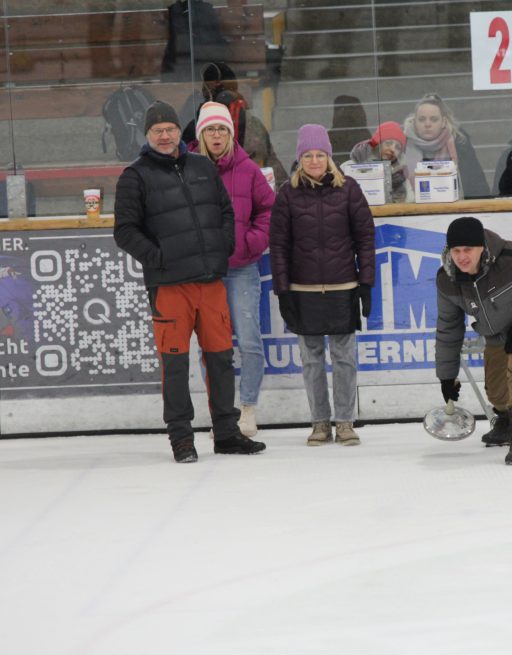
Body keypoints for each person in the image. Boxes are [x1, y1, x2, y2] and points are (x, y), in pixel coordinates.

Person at [113, 101, 266, 462]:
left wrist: (223, 246)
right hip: (169, 288)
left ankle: (226, 433)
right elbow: (125, 231)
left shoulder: (202, 166)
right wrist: (160, 258)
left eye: (169, 129)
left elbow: (225, 212)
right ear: (147, 135)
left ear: (178, 132)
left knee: (221, 360)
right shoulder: (135, 176)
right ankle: (181, 438)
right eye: (157, 131)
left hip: (210, 282)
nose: (165, 136)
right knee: (176, 365)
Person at [269, 124, 376, 446]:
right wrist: (283, 290)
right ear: (299, 159)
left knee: (344, 358)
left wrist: (365, 283)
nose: (314, 161)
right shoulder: (287, 194)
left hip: (343, 288)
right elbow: (279, 246)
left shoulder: (349, 189)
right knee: (312, 360)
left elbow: (365, 239)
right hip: (304, 291)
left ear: (329, 157)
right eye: (307, 155)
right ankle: (319, 422)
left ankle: (344, 422)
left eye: (319, 155)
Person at [434, 217, 512, 465]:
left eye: (468, 250)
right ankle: (505, 421)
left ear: (481, 247)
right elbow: (448, 329)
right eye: (456, 251)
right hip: (496, 328)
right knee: (496, 391)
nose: (462, 257)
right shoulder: (446, 279)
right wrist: (446, 377)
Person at [188, 101, 276, 437]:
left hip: (241, 269)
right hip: (204, 272)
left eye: (222, 129)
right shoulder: (187, 168)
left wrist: (251, 242)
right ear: (201, 134)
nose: (216, 135)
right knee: (211, 346)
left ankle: (247, 409)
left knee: (249, 341)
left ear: (230, 133)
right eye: (210, 129)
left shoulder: (248, 169)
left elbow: (268, 211)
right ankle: (221, 414)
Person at [180, 62, 288, 187]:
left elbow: (274, 169)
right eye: (216, 92)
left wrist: (284, 191)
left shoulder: (252, 125)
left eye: (227, 92)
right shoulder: (195, 127)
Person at [402, 93, 489, 199]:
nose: (427, 124)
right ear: (414, 122)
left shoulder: (459, 145)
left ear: (443, 122)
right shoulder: (401, 145)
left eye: (434, 119)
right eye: (422, 119)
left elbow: (476, 184)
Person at [349, 121, 411, 203]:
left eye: (397, 147)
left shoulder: (402, 178)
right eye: (388, 143)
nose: (393, 149)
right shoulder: (350, 167)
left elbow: (409, 202)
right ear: (378, 144)